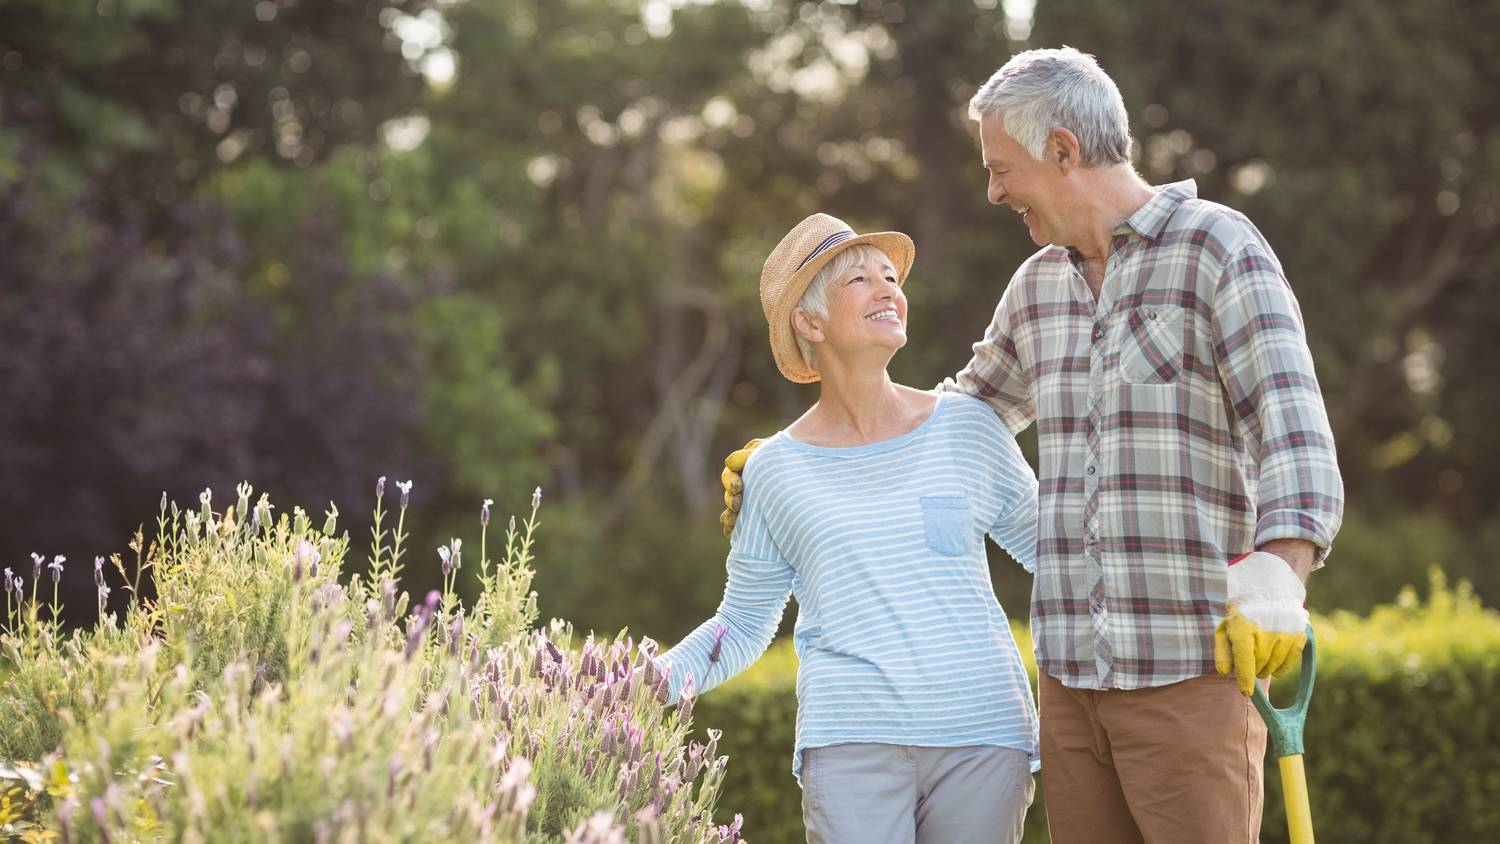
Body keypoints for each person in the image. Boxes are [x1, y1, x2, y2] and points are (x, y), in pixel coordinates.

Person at [720, 47, 1344, 843]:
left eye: (1000, 167)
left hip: (1188, 673)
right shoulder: (1038, 286)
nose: (992, 190)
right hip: (1070, 690)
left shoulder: (1217, 249)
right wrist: (808, 456)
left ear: (1061, 150)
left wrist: (1276, 581)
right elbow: (958, 415)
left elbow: (1294, 432)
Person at [652, 212, 1041, 844]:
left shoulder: (968, 427)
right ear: (809, 321)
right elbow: (745, 624)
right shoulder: (771, 471)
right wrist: (636, 688)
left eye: (891, 277)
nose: (888, 288)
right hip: (850, 741)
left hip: (983, 735)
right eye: (859, 279)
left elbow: (1061, 554)